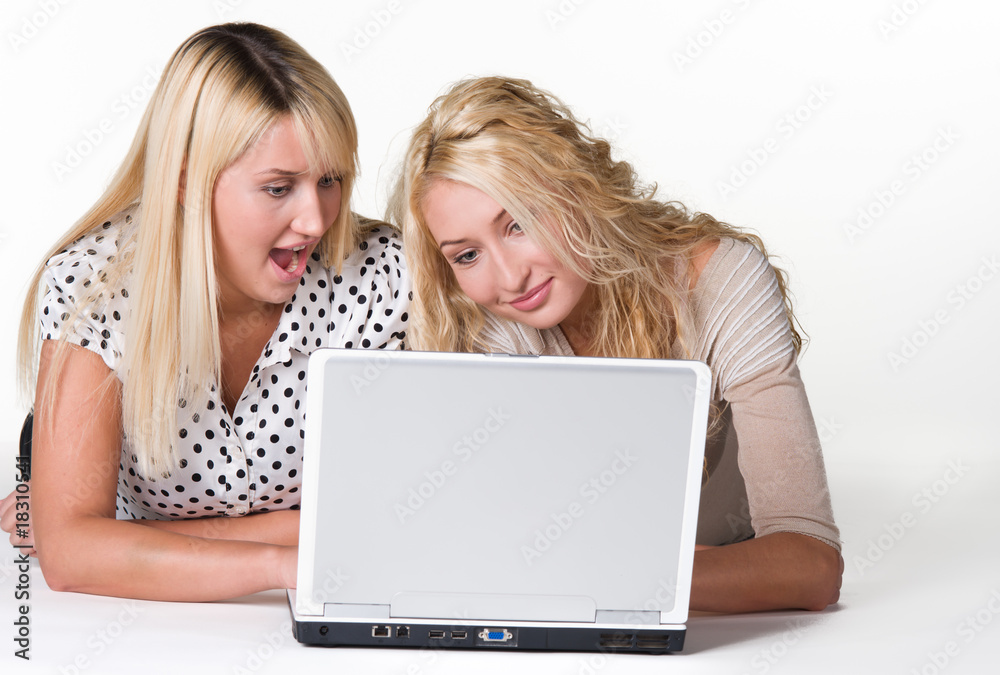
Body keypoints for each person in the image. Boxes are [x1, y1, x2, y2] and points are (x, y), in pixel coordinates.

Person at [389, 76, 842, 613]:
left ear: (576, 189)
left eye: (519, 223)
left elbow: (811, 564)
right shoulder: (486, 322)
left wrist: (619, 575)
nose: (508, 278)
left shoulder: (720, 281)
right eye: (466, 255)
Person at [0, 23, 409, 601]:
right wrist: (283, 564)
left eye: (330, 180)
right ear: (189, 181)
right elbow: (70, 557)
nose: (316, 220)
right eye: (278, 188)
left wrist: (134, 540)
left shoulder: (382, 276)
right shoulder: (93, 285)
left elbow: (397, 518)